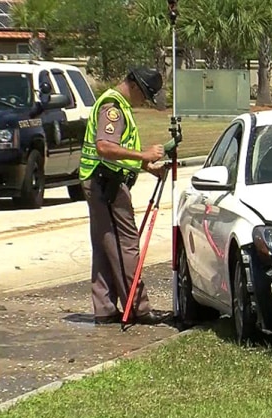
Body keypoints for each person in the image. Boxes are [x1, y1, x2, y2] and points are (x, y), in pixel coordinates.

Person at [79, 66, 172, 326]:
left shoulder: (116, 104)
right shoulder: (114, 108)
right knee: (125, 246)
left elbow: (121, 149)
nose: (143, 101)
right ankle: (138, 307)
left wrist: (145, 167)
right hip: (105, 183)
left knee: (105, 245)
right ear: (135, 86)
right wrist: (143, 155)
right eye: (144, 95)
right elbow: (105, 147)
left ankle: (105, 308)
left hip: (100, 180)